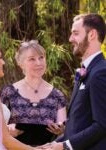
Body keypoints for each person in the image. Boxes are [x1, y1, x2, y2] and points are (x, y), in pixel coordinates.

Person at [39, 13, 106, 150]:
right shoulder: (88, 70)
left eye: (75, 33)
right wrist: (55, 144)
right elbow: (81, 123)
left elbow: (102, 124)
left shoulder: (100, 72)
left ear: (92, 34)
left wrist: (65, 146)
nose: (70, 39)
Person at [0, 40, 67, 146]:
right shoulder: (8, 93)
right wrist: (8, 129)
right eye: (32, 59)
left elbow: (63, 127)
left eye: (41, 58)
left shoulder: (57, 95)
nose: (39, 63)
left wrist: (61, 129)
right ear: (21, 64)